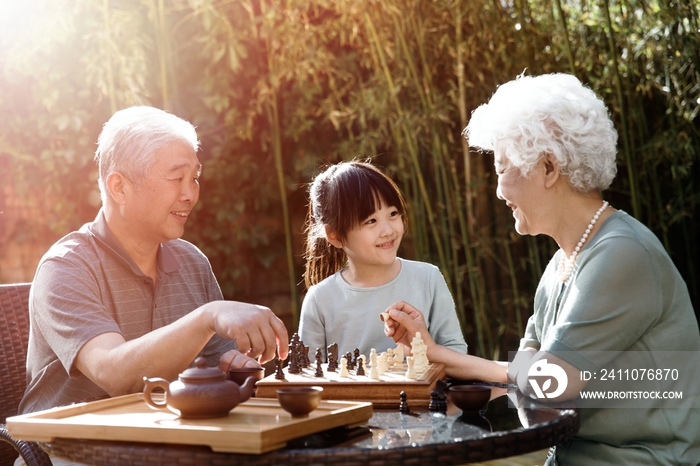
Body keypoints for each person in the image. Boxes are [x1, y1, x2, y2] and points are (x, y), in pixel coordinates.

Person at [384, 73, 700, 465]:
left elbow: (546, 384)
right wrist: (433, 352)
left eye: (502, 168)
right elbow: (528, 384)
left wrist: (528, 371)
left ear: (548, 167)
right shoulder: (562, 263)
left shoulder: (622, 255)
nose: (497, 191)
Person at [19, 106, 289, 418]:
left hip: (162, 442)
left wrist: (238, 367)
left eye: (195, 178)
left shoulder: (192, 263)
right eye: (177, 178)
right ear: (119, 187)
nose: (190, 194)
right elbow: (114, 373)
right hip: (64, 451)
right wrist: (207, 316)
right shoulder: (66, 268)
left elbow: (219, 364)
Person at [298, 161, 467, 360]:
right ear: (334, 235)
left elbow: (456, 352)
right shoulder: (321, 299)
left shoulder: (428, 278)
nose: (388, 231)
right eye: (371, 221)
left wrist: (424, 349)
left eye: (393, 214)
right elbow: (308, 375)